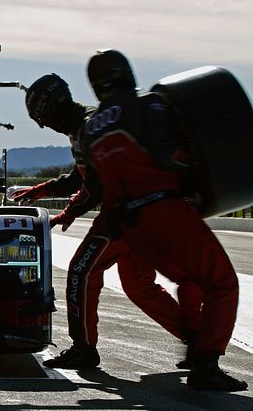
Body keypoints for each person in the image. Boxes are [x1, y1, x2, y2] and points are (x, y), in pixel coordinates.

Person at [80, 49, 246, 391]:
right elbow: (169, 157)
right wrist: (201, 175)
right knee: (220, 282)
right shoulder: (148, 105)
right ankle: (205, 364)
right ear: (125, 72)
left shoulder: (90, 128)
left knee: (184, 280)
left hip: (129, 225)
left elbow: (94, 185)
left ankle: (195, 344)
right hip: (163, 209)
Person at [14, 73, 201, 370]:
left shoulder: (92, 124)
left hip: (123, 213)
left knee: (81, 272)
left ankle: (83, 349)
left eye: (46, 120)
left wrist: (70, 211)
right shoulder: (82, 127)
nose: (50, 127)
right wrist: (42, 191)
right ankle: (198, 342)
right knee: (137, 284)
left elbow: (97, 185)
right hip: (135, 212)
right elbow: (80, 176)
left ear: (51, 110)